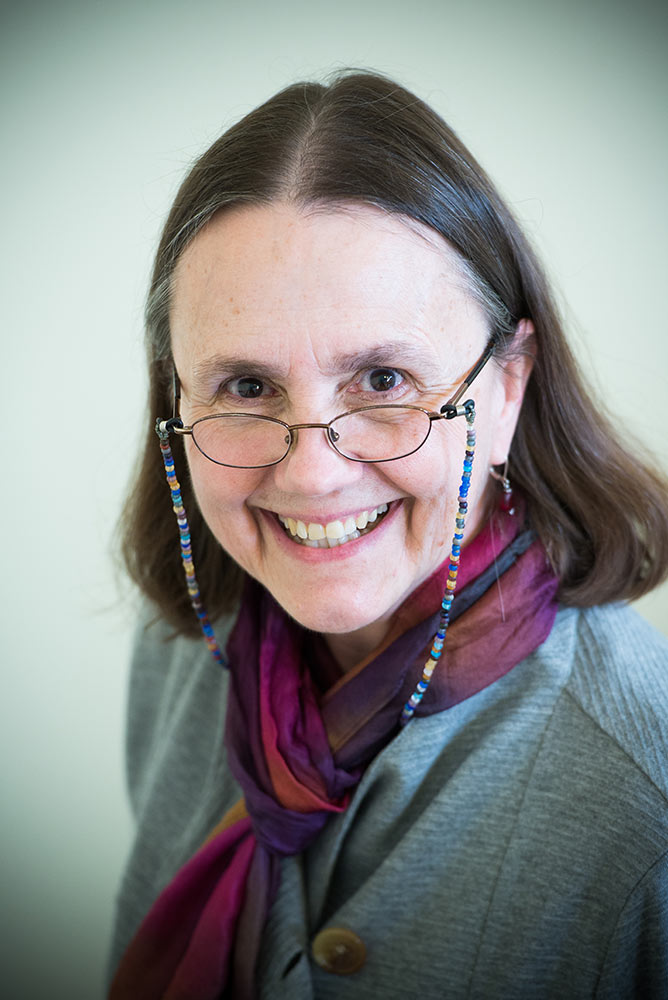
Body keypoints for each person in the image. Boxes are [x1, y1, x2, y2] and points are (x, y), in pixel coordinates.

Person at [108, 72, 668, 999]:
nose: (312, 474)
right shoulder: (181, 648)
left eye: (383, 381)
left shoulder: (645, 791)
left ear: (507, 387)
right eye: (246, 387)